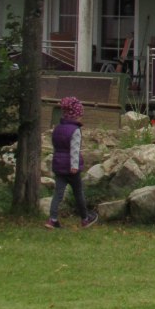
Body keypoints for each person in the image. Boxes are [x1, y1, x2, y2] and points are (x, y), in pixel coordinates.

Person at [47, 96, 98, 230]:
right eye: (80, 115)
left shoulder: (57, 128)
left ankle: (52, 219)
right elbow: (74, 150)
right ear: (76, 115)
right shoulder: (75, 131)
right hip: (71, 168)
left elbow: (55, 146)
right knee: (78, 193)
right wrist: (74, 166)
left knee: (58, 193)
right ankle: (85, 218)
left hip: (58, 165)